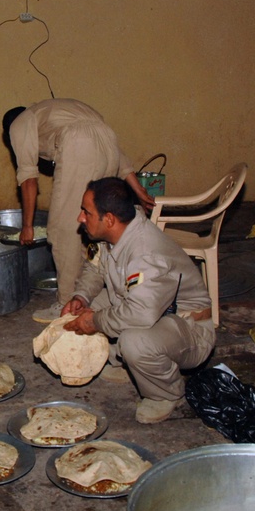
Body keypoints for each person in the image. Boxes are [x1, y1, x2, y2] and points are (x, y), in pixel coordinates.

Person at [61, 177, 215, 424]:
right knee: (80, 313)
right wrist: (81, 297)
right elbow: (95, 268)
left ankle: (165, 393)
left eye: (86, 212)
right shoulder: (116, 230)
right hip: (151, 310)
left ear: (109, 219)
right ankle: (124, 362)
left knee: (133, 341)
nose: (80, 218)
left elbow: (140, 314)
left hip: (188, 327)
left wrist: (95, 321)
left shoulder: (146, 253)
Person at [3, 99, 155, 323]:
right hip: (109, 140)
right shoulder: (53, 112)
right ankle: (90, 295)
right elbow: (118, 157)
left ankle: (67, 304)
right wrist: (139, 190)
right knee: (95, 226)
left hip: (78, 145)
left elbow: (28, 179)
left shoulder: (19, 124)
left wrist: (27, 226)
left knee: (64, 229)